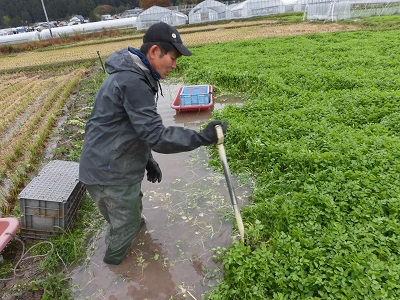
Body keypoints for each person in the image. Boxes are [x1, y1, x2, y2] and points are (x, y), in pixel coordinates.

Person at [79, 22, 227, 265]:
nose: (175, 65)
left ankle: (136, 253)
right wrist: (202, 137)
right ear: (155, 51)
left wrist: (147, 160)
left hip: (109, 166)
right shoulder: (133, 81)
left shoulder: (133, 75)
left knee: (130, 220)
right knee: (124, 229)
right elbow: (156, 135)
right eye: (172, 57)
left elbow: (129, 128)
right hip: (110, 174)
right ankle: (116, 272)